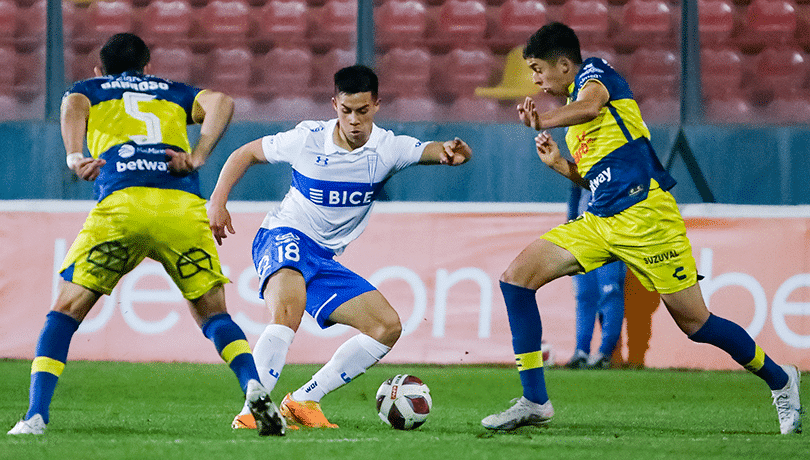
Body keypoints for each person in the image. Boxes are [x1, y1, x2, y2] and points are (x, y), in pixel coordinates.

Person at [481, 22, 802, 435]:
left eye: (538, 68)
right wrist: (560, 165)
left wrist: (543, 120)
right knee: (515, 280)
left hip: (647, 216)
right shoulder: (575, 125)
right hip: (601, 219)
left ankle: (781, 379)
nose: (536, 79)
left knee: (696, 324)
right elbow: (596, 178)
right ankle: (535, 400)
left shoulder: (595, 74)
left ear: (564, 64)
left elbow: (591, 106)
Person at [8, 33, 285, 437]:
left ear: (99, 70)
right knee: (214, 315)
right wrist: (200, 153)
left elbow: (72, 103)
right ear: (148, 68)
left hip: (123, 205)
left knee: (65, 312)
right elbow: (222, 102)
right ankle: (253, 386)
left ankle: (35, 415)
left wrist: (74, 157)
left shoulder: (92, 89)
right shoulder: (171, 91)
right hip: (180, 207)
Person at [207, 65, 472, 430]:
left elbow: (431, 151)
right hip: (284, 234)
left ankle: (303, 400)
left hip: (322, 257)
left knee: (386, 327)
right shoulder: (308, 138)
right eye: (346, 110)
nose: (353, 120)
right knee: (288, 309)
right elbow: (245, 154)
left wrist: (450, 152)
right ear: (334, 104)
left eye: (362, 111)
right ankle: (253, 411)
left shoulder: (388, 148)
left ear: (377, 105)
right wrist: (217, 201)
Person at [564, 185, 626, 370]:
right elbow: (574, 191)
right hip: (584, 235)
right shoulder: (583, 159)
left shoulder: (621, 160)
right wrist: (570, 227)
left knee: (610, 291)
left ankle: (605, 352)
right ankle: (581, 351)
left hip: (611, 234)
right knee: (585, 294)